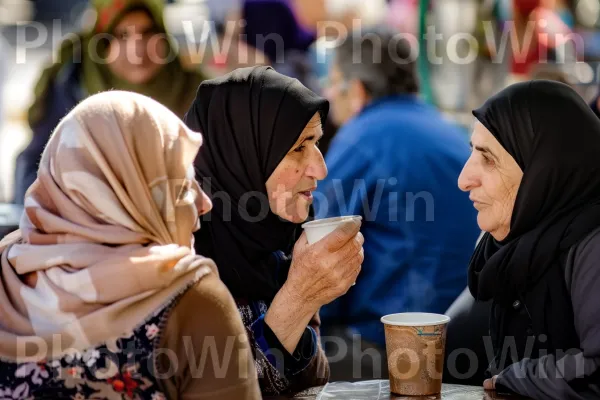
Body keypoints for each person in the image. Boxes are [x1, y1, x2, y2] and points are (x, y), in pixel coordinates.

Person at [0, 91, 261, 399]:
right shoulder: (188, 298)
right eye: (181, 186)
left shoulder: (7, 277)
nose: (204, 203)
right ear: (126, 196)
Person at [184, 66, 364, 396]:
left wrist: (306, 295)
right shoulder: (180, 257)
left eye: (317, 143)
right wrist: (297, 299)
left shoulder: (276, 240)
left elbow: (312, 379)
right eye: (299, 147)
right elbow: (219, 390)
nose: (321, 168)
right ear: (242, 154)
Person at [314, 26, 480, 381]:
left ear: (356, 90)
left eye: (332, 82)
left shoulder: (361, 137)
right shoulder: (450, 130)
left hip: (391, 347)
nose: (328, 95)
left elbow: (319, 263)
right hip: (463, 340)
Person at [458, 80, 600, 398]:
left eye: (488, 159)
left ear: (543, 171)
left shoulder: (592, 245)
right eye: (471, 153)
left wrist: (518, 377)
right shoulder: (508, 249)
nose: (463, 180)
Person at [13, 0, 207, 204]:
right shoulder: (71, 87)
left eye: (148, 32)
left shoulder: (196, 91)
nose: (137, 48)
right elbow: (34, 169)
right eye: (122, 35)